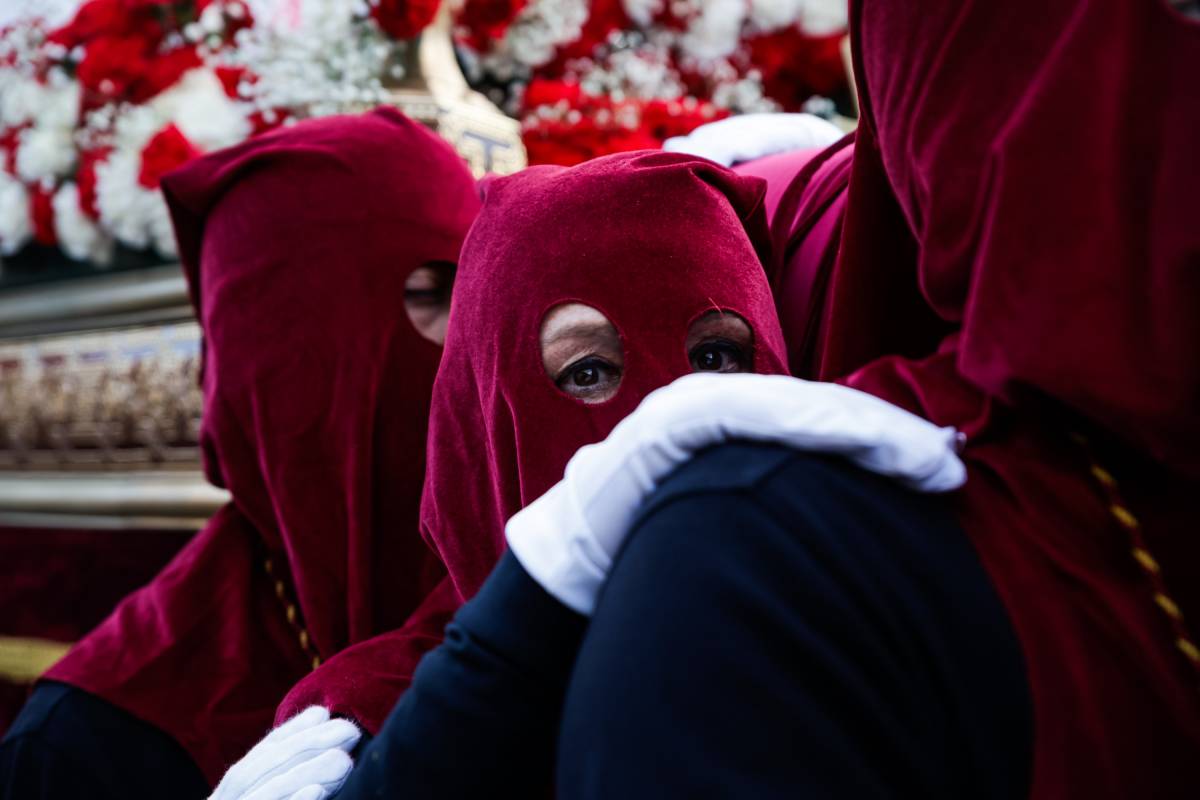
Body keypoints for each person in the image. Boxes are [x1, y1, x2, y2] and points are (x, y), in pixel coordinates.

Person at [207, 150, 969, 800]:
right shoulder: (371, 728)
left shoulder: (862, 629)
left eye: (715, 358)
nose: (669, 415)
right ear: (489, 419)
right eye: (590, 371)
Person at [0, 108, 480, 800]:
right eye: (422, 295)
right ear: (279, 364)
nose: (463, 341)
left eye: (474, 293)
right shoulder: (91, 743)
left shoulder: (552, 585)